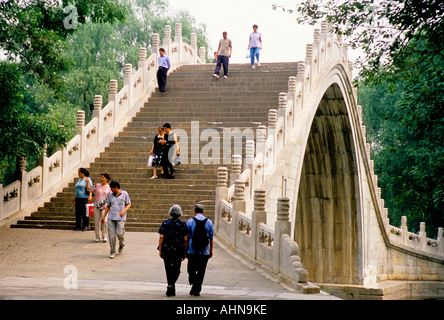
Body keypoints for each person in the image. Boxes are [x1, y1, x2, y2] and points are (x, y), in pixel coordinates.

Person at [158, 204, 189, 297]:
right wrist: (185, 251)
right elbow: (185, 239)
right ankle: (171, 285)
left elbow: (161, 236)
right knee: (176, 269)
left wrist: (160, 249)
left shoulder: (165, 223)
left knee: (168, 269)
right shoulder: (183, 224)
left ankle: (170, 285)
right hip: (178, 250)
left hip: (167, 249)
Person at [186, 204, 214, 296]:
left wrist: (185, 250)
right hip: (204, 251)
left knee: (191, 269)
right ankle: (197, 287)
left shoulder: (190, 221)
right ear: (203, 211)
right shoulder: (209, 222)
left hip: (192, 250)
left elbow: (187, 237)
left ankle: (195, 285)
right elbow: (211, 238)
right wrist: (211, 250)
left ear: (194, 211)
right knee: (201, 270)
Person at [102, 181, 131, 259]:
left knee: (119, 234)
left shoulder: (124, 194)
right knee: (111, 235)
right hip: (111, 217)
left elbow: (129, 204)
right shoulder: (110, 195)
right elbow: (108, 206)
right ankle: (112, 251)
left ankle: (122, 244)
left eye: (112, 188)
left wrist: (124, 211)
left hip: (121, 218)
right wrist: (104, 216)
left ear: (116, 188)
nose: (111, 190)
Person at [87, 173, 111, 242]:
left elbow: (111, 197)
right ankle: (97, 236)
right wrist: (87, 183)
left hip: (105, 206)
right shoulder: (97, 185)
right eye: (101, 177)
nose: (101, 179)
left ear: (107, 179)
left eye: (103, 178)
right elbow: (89, 189)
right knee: (97, 222)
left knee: (105, 221)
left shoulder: (109, 187)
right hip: (96, 206)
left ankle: (104, 235)